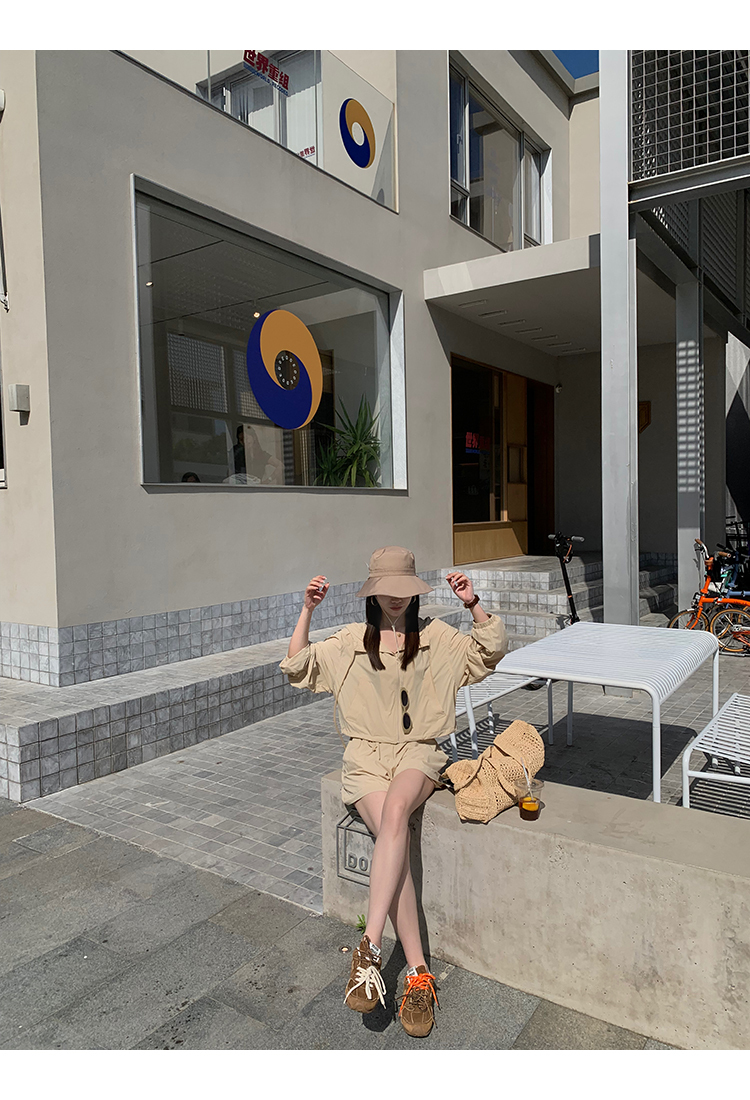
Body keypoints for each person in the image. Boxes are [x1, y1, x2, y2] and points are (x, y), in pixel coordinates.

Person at [280, 546, 507, 1038]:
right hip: (364, 759)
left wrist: (472, 604)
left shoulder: (436, 637)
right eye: (387, 589)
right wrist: (307, 610)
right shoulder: (350, 642)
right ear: (373, 592)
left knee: (397, 810)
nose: (396, 598)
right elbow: (297, 666)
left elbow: (489, 652)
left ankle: (369, 946)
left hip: (417, 754)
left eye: (404, 588)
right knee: (394, 840)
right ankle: (419, 974)